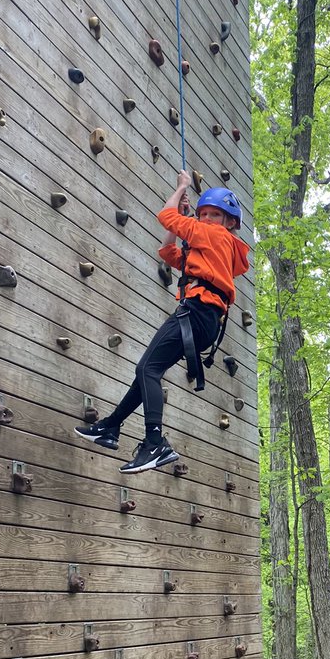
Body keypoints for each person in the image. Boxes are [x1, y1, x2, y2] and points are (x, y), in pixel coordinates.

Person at [74, 169, 249, 473]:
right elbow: (169, 252)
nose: (206, 219)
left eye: (215, 215)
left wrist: (182, 188)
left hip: (196, 312)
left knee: (146, 369)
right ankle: (111, 427)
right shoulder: (212, 248)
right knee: (147, 373)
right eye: (203, 213)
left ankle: (155, 443)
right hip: (203, 319)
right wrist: (183, 222)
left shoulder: (214, 236)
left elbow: (165, 216)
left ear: (230, 223)